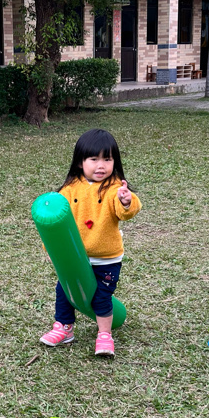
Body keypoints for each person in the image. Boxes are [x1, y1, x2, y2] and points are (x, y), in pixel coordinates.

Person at [40, 128, 141, 357]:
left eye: (107, 159)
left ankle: (104, 334)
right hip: (75, 259)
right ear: (80, 162)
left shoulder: (114, 189)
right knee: (64, 292)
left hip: (106, 259)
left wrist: (127, 201)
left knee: (101, 297)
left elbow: (125, 212)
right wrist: (52, 249)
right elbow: (55, 224)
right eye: (94, 159)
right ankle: (64, 328)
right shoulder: (69, 189)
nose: (101, 165)